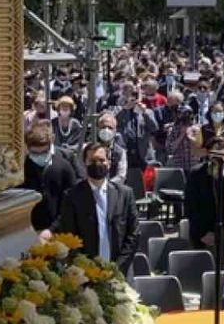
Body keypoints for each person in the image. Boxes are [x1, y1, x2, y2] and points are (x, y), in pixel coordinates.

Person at [51, 142, 139, 271]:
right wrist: (87, 267)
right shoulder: (72, 196)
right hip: (86, 274)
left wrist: (118, 266)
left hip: (120, 272)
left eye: (101, 160)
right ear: (84, 163)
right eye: (92, 160)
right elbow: (69, 235)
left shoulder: (125, 194)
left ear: (108, 163)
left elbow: (134, 234)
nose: (97, 164)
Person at [21, 121, 78, 232]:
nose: (40, 157)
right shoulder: (22, 169)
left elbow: (70, 203)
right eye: (35, 154)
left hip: (59, 230)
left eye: (44, 152)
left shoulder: (63, 167)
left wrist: (52, 229)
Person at [93, 112, 128, 186]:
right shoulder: (90, 149)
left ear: (115, 130)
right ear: (98, 129)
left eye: (110, 128)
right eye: (103, 127)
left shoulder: (120, 152)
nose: (106, 130)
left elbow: (121, 176)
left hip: (113, 190)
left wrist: (105, 186)